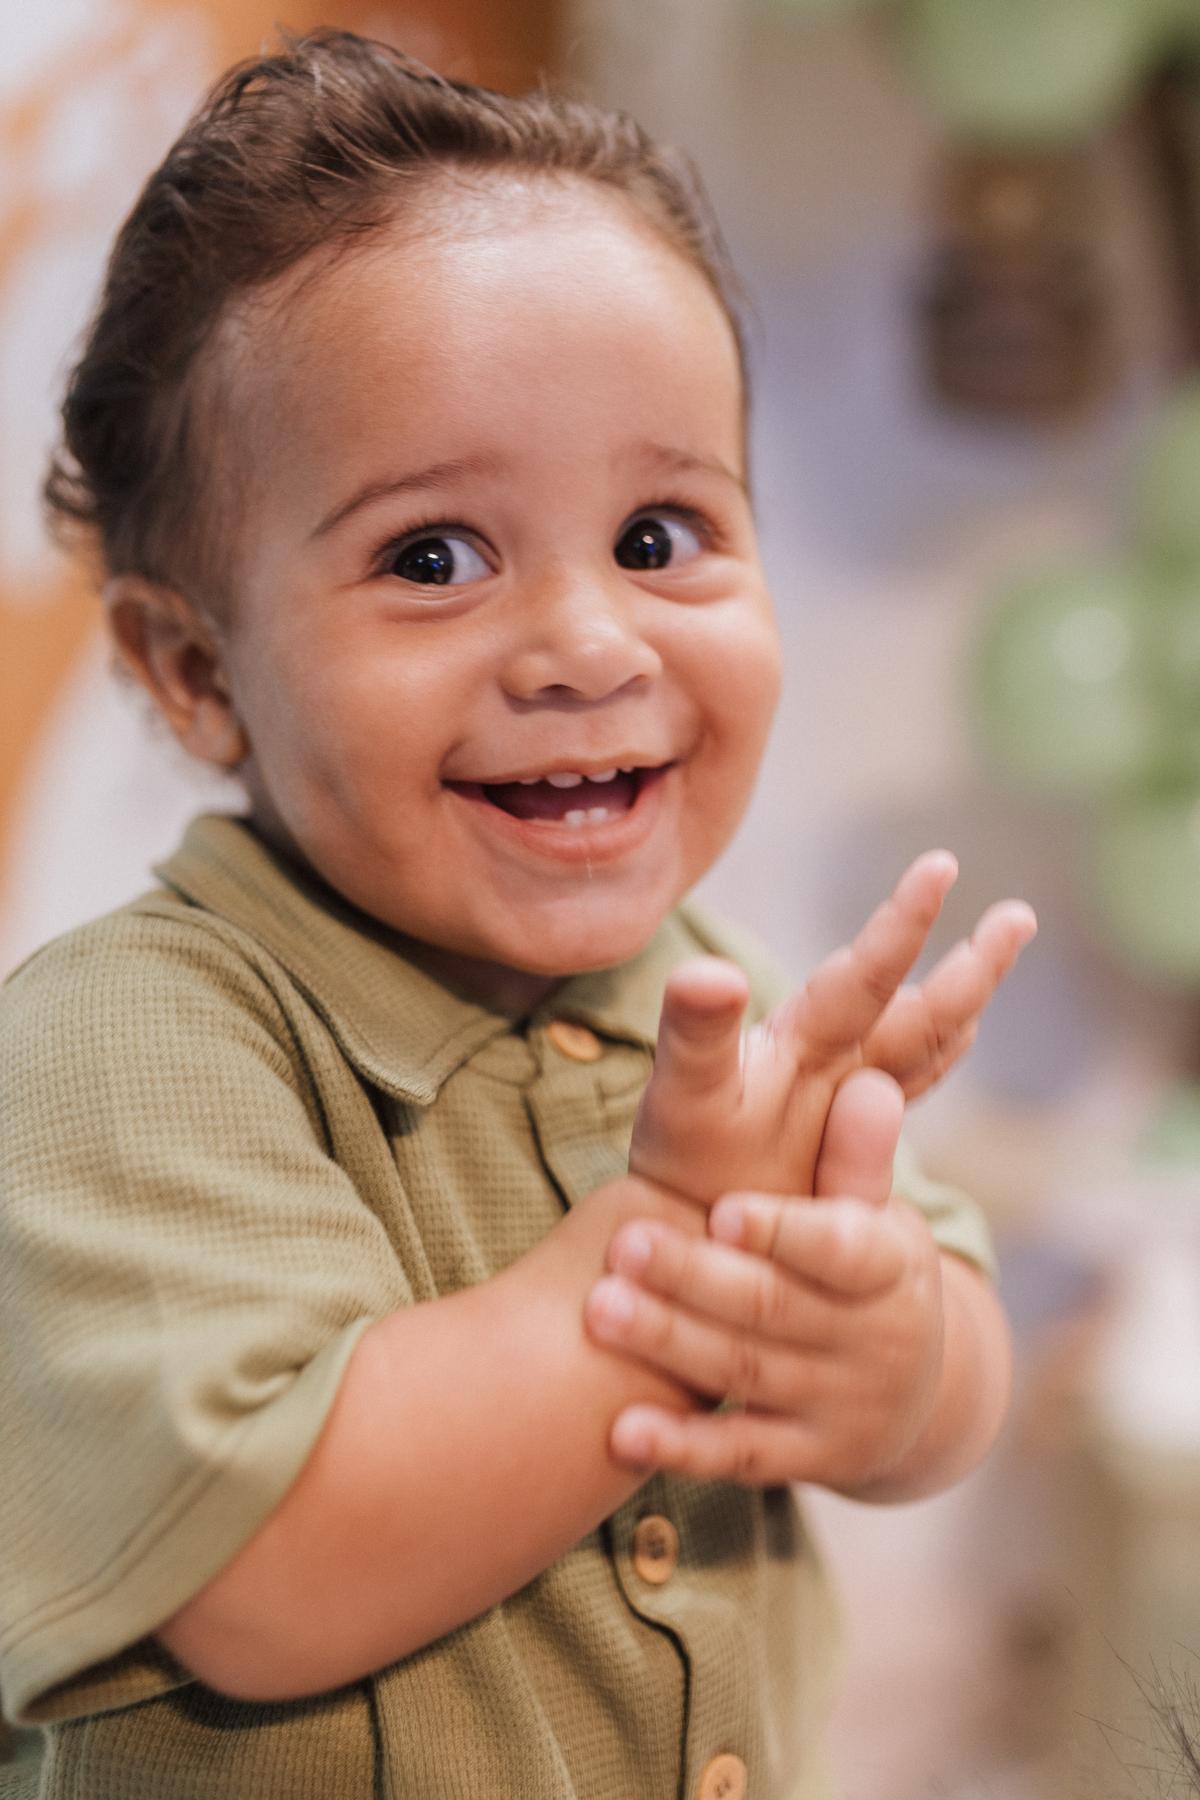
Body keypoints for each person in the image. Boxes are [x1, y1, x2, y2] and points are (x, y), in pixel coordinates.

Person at [0, 31, 1036, 1800]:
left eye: (658, 533)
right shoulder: (132, 1045)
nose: (587, 645)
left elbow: (944, 1374)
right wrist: (665, 1258)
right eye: (432, 559)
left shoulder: (709, 995)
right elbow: (271, 1569)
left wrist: (887, 1352)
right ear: (194, 669)